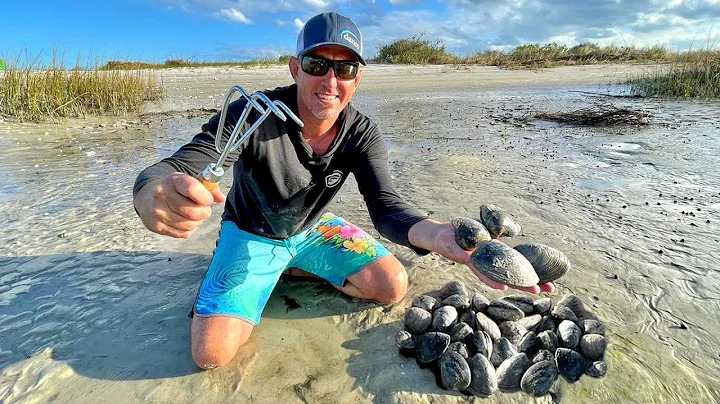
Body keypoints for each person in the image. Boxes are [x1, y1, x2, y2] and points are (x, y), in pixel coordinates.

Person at [133, 11, 554, 369]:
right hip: (251, 234)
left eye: (345, 68)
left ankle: (294, 265)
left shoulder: (361, 132)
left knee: (392, 286)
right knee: (211, 354)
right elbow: (182, 163)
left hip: (314, 226)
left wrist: (442, 236)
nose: (330, 80)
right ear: (295, 68)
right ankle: (243, 268)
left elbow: (387, 208)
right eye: (317, 64)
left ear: (357, 78)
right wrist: (153, 193)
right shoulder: (254, 112)